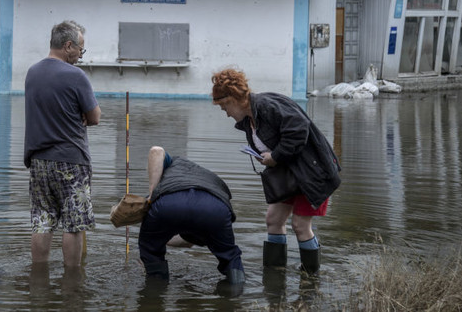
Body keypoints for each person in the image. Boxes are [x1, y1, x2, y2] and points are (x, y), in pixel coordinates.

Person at [211, 68, 341, 275]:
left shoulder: (266, 105)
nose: (225, 112)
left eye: (224, 106)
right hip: (290, 176)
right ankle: (274, 276)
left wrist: (276, 156)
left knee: (300, 225)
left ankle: (311, 277)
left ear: (234, 98)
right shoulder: (248, 119)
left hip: (313, 174)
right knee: (273, 220)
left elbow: (299, 129)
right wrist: (265, 156)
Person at [24, 20, 101, 266]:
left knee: (42, 220)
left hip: (38, 161)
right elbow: (95, 117)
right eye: (80, 49)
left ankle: (38, 277)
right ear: (68, 46)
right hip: (71, 161)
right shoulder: (76, 76)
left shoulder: (32, 72)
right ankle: (72, 280)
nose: (80, 55)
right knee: (74, 224)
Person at [138, 146, 245, 287]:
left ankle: (154, 292)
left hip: (169, 203)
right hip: (215, 208)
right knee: (230, 257)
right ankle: (239, 297)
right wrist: (163, 238)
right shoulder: (207, 176)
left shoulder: (174, 162)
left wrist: (152, 195)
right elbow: (188, 240)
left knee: (150, 250)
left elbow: (156, 151)